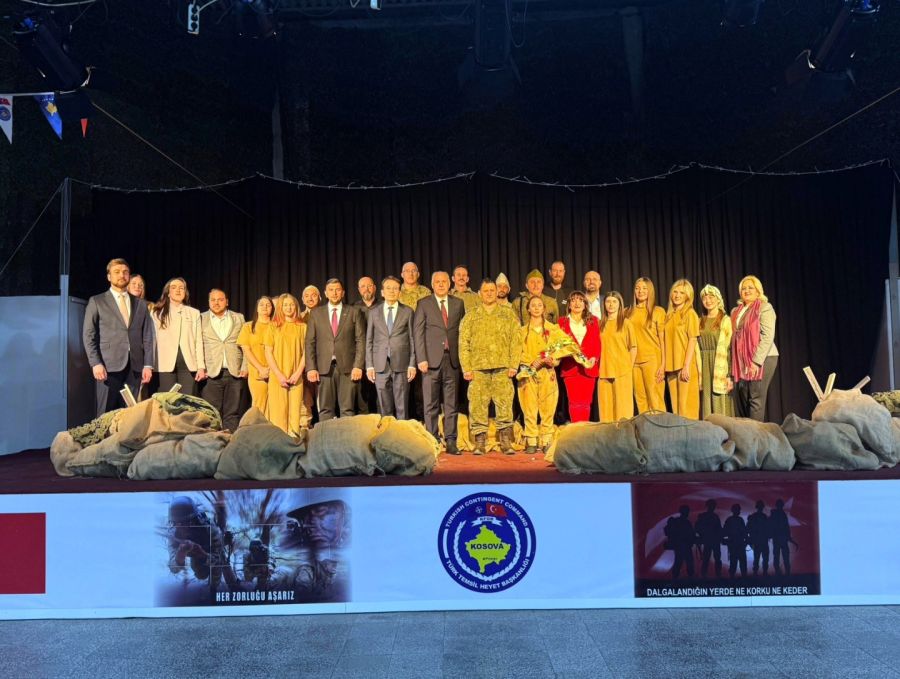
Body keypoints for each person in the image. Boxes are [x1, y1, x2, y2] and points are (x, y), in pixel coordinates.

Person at [82, 258, 154, 415]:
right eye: (117, 272)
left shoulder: (141, 304)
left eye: (125, 272)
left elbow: (148, 336)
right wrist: (95, 363)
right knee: (105, 413)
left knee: (130, 414)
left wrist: (148, 365)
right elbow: (88, 335)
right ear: (109, 276)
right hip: (108, 366)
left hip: (135, 367)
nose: (122, 275)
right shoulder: (97, 301)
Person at [459, 279, 520, 455]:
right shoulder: (471, 315)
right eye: (485, 291)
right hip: (478, 368)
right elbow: (463, 343)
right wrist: (466, 367)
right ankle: (480, 441)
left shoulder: (508, 314)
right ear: (479, 294)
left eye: (492, 290)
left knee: (505, 402)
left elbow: (516, 341)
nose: (489, 293)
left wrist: (514, 364)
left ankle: (505, 441)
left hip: (503, 366)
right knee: (477, 404)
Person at [413, 271, 465, 454]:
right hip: (430, 361)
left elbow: (463, 332)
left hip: (452, 360)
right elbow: (418, 333)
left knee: (451, 404)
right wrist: (421, 358)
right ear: (432, 284)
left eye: (444, 281)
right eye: (437, 282)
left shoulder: (458, 303)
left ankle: (451, 441)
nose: (441, 284)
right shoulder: (424, 303)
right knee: (430, 404)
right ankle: (432, 439)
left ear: (449, 284)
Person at [305, 278, 366, 420]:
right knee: (325, 410)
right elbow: (309, 342)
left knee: (348, 409)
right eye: (331, 290)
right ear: (325, 293)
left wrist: (358, 366)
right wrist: (311, 368)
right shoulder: (316, 314)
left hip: (348, 368)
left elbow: (360, 340)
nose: (334, 293)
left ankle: (346, 435)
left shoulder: (353, 312)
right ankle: (326, 435)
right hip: (324, 369)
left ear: (343, 293)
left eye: (338, 290)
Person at [518, 296, 570, 453]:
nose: (536, 308)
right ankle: (531, 440)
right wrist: (530, 362)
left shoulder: (553, 329)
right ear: (528, 309)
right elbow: (515, 352)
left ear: (544, 309)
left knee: (548, 407)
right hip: (528, 372)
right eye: (533, 305)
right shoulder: (522, 331)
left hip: (547, 372)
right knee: (529, 406)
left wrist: (553, 359)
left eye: (539, 305)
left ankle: (546, 439)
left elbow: (566, 345)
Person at [366, 276, 417, 419]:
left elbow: (412, 339)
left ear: (400, 292)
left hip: (402, 364)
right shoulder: (374, 312)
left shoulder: (407, 311)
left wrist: (412, 364)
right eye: (388, 288)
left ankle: (402, 433)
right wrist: (369, 366)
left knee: (402, 407)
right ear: (382, 292)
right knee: (384, 407)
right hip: (380, 365)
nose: (392, 291)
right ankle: (387, 432)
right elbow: (369, 340)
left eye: (395, 288)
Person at [197, 289, 248, 432]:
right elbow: (197, 344)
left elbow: (246, 344)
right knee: (212, 413)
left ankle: (230, 441)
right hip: (211, 373)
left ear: (227, 302)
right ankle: (214, 440)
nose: (216, 303)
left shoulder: (238, 318)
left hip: (234, 372)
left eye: (220, 299)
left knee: (232, 413)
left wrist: (245, 366)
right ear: (208, 302)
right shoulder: (200, 318)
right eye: (213, 300)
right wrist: (200, 366)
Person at [730, 275, 778, 421]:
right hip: (742, 360)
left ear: (758, 291)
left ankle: (755, 434)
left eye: (751, 288)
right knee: (743, 398)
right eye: (743, 288)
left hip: (763, 358)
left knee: (755, 398)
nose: (747, 291)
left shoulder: (765, 308)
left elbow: (767, 336)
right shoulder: (735, 311)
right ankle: (745, 431)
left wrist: (756, 361)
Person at [151, 277, 203, 396]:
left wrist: (201, 366)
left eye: (181, 288)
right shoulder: (157, 312)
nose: (178, 290)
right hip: (165, 363)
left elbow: (198, 341)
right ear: (168, 292)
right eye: (174, 288)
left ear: (185, 292)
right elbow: (152, 340)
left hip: (187, 364)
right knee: (167, 400)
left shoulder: (194, 313)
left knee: (186, 400)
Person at [264, 293, 306, 436]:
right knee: (278, 414)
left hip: (296, 376)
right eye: (285, 305)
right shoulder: (273, 326)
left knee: (295, 414)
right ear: (280, 307)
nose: (289, 308)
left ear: (296, 306)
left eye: (291, 304)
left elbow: (307, 353)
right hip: (277, 376)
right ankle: (279, 443)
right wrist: (279, 375)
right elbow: (268, 352)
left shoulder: (303, 327)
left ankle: (294, 442)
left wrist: (298, 373)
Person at [557, 291, 601, 422]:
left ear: (585, 304)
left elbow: (597, 343)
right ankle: (577, 429)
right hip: (570, 368)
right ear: (569, 304)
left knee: (586, 403)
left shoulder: (593, 320)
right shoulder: (561, 322)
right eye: (573, 300)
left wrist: (594, 358)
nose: (577, 303)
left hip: (588, 367)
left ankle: (584, 431)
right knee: (574, 403)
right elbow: (558, 345)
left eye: (580, 300)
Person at [626, 277, 666, 414]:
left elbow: (662, 340)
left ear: (650, 291)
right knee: (640, 398)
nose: (640, 291)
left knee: (655, 398)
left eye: (644, 288)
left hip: (652, 360)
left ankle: (660, 426)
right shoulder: (627, 312)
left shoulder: (658, 311)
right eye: (637, 288)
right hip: (634, 362)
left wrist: (663, 364)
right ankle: (645, 426)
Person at [597, 291, 637, 423]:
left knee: (623, 410)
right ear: (604, 304)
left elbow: (633, 347)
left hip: (622, 370)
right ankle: (608, 435)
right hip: (604, 370)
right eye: (608, 301)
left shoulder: (626, 323)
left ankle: (624, 434)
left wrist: (629, 367)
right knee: (606, 410)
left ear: (620, 304)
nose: (611, 304)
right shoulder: (600, 324)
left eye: (614, 301)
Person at [664, 279, 700, 420]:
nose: (677, 295)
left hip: (685, 366)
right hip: (671, 367)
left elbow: (693, 339)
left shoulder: (690, 314)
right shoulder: (669, 315)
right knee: (676, 409)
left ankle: (690, 434)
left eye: (682, 293)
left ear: (688, 296)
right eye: (675, 292)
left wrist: (686, 366)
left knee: (686, 409)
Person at [698, 284, 734, 418]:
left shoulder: (725, 320)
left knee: (719, 400)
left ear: (718, 299)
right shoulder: (700, 321)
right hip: (704, 365)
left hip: (719, 364)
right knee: (706, 401)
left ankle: (723, 429)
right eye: (705, 298)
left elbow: (729, 349)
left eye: (711, 297)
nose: (708, 300)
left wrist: (729, 375)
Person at [238, 296, 274, 415]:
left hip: (275, 373)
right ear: (257, 309)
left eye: (268, 305)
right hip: (257, 373)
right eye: (261, 305)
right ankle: (258, 427)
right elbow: (246, 350)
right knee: (259, 407)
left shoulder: (276, 326)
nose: (265, 307)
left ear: (272, 308)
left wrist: (272, 369)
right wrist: (261, 368)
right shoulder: (248, 326)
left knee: (275, 408)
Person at [353, 276, 379, 414]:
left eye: (369, 286)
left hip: (379, 356)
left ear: (374, 288)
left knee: (379, 394)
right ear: (358, 289)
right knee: (362, 396)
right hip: (361, 357)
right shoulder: (353, 308)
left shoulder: (382, 306)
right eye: (363, 286)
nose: (366, 289)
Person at [299, 285, 320, 427]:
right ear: (302, 299)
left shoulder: (326, 314)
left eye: (313, 295)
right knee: (305, 399)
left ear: (320, 297)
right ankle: (306, 426)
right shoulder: (298, 318)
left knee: (323, 399)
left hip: (322, 363)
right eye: (306, 296)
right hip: (303, 365)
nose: (310, 298)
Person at [694, 499, 723, 579]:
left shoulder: (713, 517)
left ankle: (716, 574)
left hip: (712, 540)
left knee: (714, 558)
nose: (712, 507)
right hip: (709, 540)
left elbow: (719, 529)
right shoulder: (706, 516)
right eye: (711, 506)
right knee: (707, 558)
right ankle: (706, 574)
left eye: (713, 506)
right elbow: (697, 528)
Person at [664, 505, 695, 579]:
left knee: (683, 562)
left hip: (682, 546)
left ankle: (679, 577)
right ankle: (678, 577)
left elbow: (691, 534)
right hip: (681, 546)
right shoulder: (682, 522)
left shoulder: (683, 522)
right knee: (682, 561)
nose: (688, 513)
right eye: (687, 511)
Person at [722, 504, 747, 578]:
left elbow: (744, 532)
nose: (738, 511)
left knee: (739, 561)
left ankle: (739, 577)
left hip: (737, 543)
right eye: (737, 510)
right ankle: (734, 576)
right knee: (735, 562)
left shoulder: (737, 520)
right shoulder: (732, 520)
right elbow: (725, 531)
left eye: (738, 510)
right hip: (734, 543)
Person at [747, 499, 771, 576]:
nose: (760, 508)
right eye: (760, 506)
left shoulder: (763, 517)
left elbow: (768, 529)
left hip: (762, 541)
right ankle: (757, 573)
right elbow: (748, 529)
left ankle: (762, 572)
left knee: (763, 558)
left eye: (761, 506)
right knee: (758, 558)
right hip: (758, 541)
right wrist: (750, 540)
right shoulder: (755, 517)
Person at [770, 499, 792, 576]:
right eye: (780, 505)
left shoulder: (780, 514)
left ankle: (785, 571)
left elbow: (786, 526)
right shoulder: (778, 514)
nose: (781, 506)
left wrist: (788, 536)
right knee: (779, 555)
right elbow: (785, 526)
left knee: (782, 555)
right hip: (779, 538)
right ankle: (781, 571)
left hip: (780, 538)